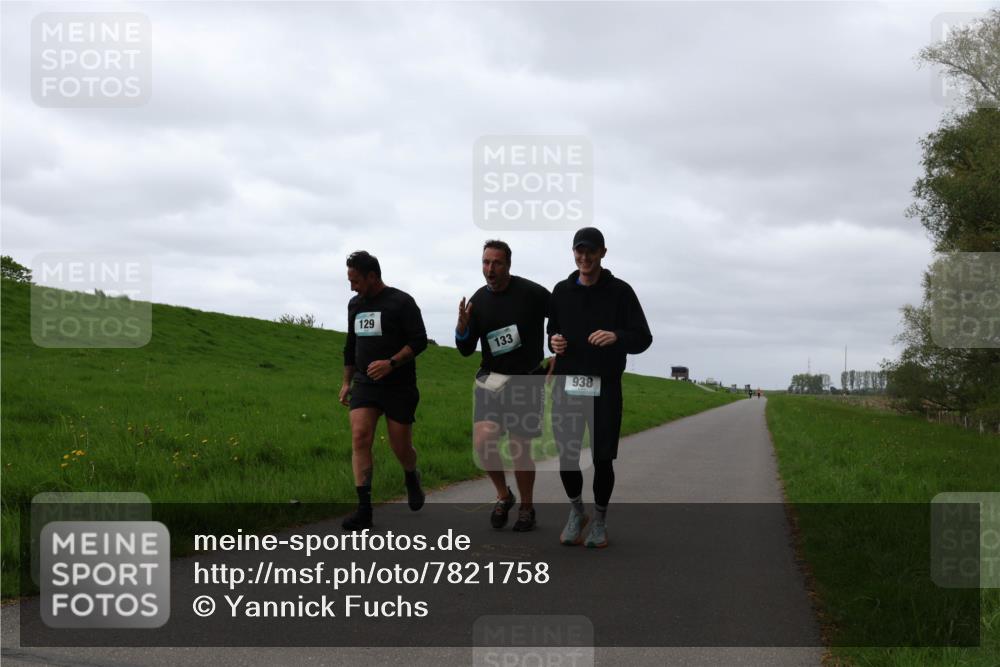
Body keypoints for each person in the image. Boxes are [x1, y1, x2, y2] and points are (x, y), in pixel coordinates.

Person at [548, 227, 652, 548]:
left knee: (603, 458)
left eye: (590, 251)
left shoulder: (620, 292)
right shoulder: (561, 291)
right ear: (573, 253)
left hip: (605, 386)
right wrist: (554, 342)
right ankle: (577, 512)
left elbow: (643, 337)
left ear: (603, 253)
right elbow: (553, 332)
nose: (584, 257)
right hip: (568, 384)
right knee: (567, 457)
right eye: (579, 251)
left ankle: (600, 520)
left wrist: (617, 336)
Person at [455, 240, 550, 531]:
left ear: (508, 265)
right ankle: (503, 495)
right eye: (485, 262)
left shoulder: (531, 293)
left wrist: (558, 352)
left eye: (496, 263)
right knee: (483, 442)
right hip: (491, 378)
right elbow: (465, 348)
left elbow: (561, 318)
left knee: (520, 448)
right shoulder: (478, 300)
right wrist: (462, 327)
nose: (490, 269)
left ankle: (526, 507)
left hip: (526, 380)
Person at [339, 251, 428, 530]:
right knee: (360, 435)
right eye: (349, 280)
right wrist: (346, 382)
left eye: (356, 280)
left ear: (372, 276)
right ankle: (364, 510)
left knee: (400, 446)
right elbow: (350, 345)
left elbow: (419, 341)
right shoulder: (355, 305)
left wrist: (391, 363)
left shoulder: (401, 302)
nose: (352, 286)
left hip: (398, 385)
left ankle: (411, 474)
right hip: (365, 383)